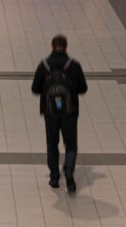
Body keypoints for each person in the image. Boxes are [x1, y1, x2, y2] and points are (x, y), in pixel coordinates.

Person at [31, 34, 88, 191]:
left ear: (52, 47)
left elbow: (35, 89)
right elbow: (83, 89)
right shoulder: (73, 65)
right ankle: (69, 170)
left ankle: (54, 177)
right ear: (66, 48)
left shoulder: (44, 65)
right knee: (70, 144)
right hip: (70, 111)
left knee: (52, 143)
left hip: (50, 113)